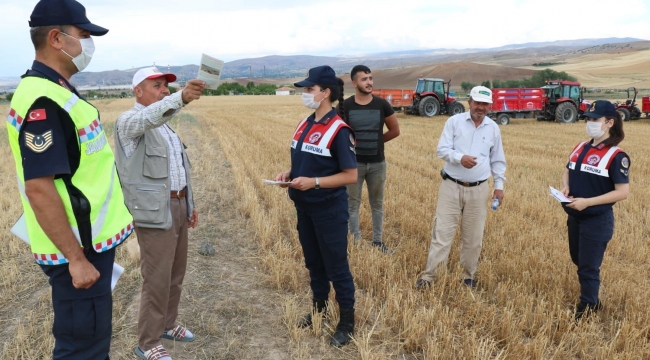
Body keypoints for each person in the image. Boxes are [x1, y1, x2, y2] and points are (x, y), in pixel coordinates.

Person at [6, 1, 135, 358]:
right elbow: (39, 187)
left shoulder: (56, 90)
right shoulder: (44, 101)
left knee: (89, 342)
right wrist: (75, 259)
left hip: (88, 244)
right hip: (79, 250)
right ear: (56, 39)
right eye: (83, 35)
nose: (89, 43)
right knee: (83, 349)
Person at [114, 67, 204, 360]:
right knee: (156, 278)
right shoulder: (129, 122)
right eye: (157, 85)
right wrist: (181, 98)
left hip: (177, 206)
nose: (164, 90)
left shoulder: (166, 127)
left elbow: (180, 168)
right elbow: (148, 117)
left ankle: (168, 324)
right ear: (137, 91)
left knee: (175, 273)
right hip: (153, 212)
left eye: (166, 86)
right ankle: (148, 342)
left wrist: (189, 205)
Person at [274, 65, 358, 347]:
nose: (305, 93)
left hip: (329, 210)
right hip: (304, 208)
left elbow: (350, 175)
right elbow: (305, 161)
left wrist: (315, 183)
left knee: (337, 266)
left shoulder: (339, 130)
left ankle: (347, 321)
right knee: (314, 263)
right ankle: (319, 308)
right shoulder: (305, 122)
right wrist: (289, 173)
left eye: (309, 89)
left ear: (325, 93)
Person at [416, 86, 506, 289]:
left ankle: (468, 276)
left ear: (490, 106)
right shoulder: (454, 122)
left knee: (474, 237)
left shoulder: (493, 128)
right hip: (451, 186)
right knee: (442, 233)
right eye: (477, 103)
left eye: (485, 104)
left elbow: (498, 160)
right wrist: (459, 158)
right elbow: (442, 150)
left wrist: (499, 186)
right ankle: (431, 276)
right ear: (469, 103)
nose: (480, 107)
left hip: (479, 189)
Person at [559, 100, 629, 321]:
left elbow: (622, 192)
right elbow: (567, 170)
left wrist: (588, 202)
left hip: (596, 220)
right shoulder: (580, 147)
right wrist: (566, 185)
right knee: (578, 259)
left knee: (588, 267)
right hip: (575, 217)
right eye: (588, 119)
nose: (590, 123)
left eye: (595, 119)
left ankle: (588, 306)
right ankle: (592, 298)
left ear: (609, 122)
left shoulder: (616, 156)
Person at [343, 65, 400, 252]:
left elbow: (395, 131)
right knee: (352, 204)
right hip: (353, 165)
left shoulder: (382, 104)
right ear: (354, 83)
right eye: (364, 79)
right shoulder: (345, 106)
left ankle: (378, 241)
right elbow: (338, 134)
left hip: (377, 164)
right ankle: (355, 242)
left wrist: (378, 142)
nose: (369, 82)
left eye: (370, 78)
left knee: (377, 204)